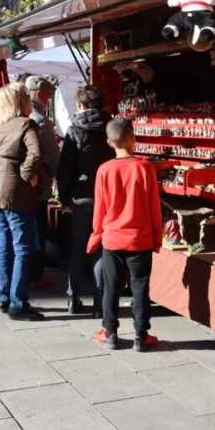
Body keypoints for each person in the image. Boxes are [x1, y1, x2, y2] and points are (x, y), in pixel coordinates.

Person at [88, 117, 162, 352]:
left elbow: (99, 209)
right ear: (133, 138)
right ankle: (141, 335)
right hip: (140, 239)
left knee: (111, 286)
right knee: (140, 287)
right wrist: (157, 238)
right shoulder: (146, 167)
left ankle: (110, 332)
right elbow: (154, 206)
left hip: (112, 238)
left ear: (109, 143)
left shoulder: (104, 170)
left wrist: (96, 236)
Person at [0, 83, 45, 321]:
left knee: (4, 246)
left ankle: (5, 297)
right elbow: (36, 153)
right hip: (14, 194)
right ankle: (17, 303)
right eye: (27, 97)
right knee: (22, 248)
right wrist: (27, 174)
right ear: (20, 102)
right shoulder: (26, 124)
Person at [57, 84, 115, 316]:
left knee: (80, 246)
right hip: (107, 196)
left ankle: (73, 297)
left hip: (81, 196)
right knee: (101, 247)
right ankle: (100, 302)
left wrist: (63, 196)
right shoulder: (111, 128)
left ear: (82, 105)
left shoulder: (74, 130)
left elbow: (65, 169)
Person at [25, 76, 62, 291]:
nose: (48, 99)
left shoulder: (21, 114)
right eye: (48, 94)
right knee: (38, 230)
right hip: (38, 184)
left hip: (25, 183)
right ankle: (35, 275)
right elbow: (52, 158)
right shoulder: (39, 119)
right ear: (39, 93)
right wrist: (59, 176)